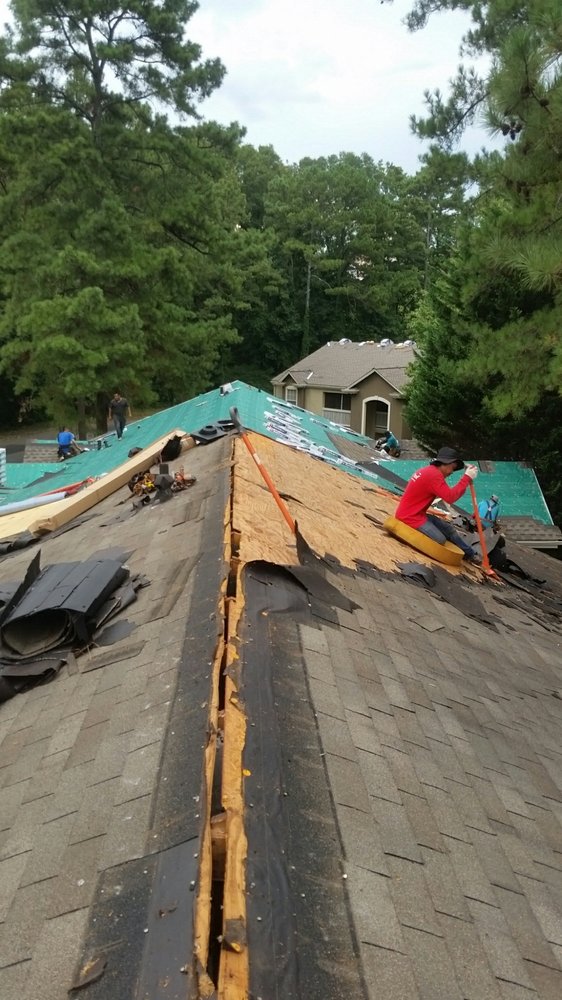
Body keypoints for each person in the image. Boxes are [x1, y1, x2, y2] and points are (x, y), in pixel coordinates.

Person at [395, 446, 481, 563]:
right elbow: (450, 497)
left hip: (417, 514)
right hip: (410, 517)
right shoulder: (434, 476)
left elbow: (451, 495)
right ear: (446, 463)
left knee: (449, 529)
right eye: (452, 468)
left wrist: (466, 480)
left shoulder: (430, 471)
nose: (451, 472)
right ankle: (469, 554)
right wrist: (466, 478)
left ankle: (470, 554)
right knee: (440, 539)